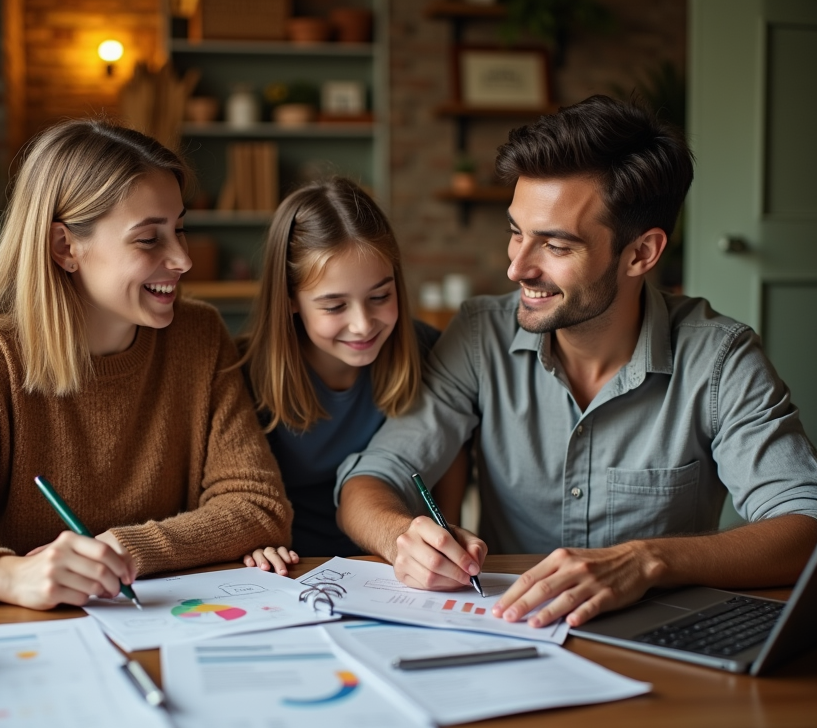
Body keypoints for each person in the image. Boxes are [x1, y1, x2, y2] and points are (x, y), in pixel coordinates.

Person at [334, 95, 817, 628]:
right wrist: (402, 538)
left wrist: (646, 561)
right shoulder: (479, 335)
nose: (517, 267)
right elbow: (369, 482)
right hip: (512, 629)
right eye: (516, 232)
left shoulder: (720, 358)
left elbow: (805, 521)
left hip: (664, 643)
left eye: (555, 247)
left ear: (641, 253)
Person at [0, 120, 292, 609]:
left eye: (179, 229)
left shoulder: (200, 336)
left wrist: (124, 549)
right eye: (149, 239)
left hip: (167, 625)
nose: (183, 259)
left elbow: (257, 504)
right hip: (28, 642)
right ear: (65, 247)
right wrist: (5, 575)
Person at [237, 178, 469, 575]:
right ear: (290, 299)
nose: (363, 325)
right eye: (334, 306)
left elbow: (450, 459)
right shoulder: (241, 372)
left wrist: (448, 543)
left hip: (397, 568)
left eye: (380, 296)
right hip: (288, 570)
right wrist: (249, 545)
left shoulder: (430, 350)